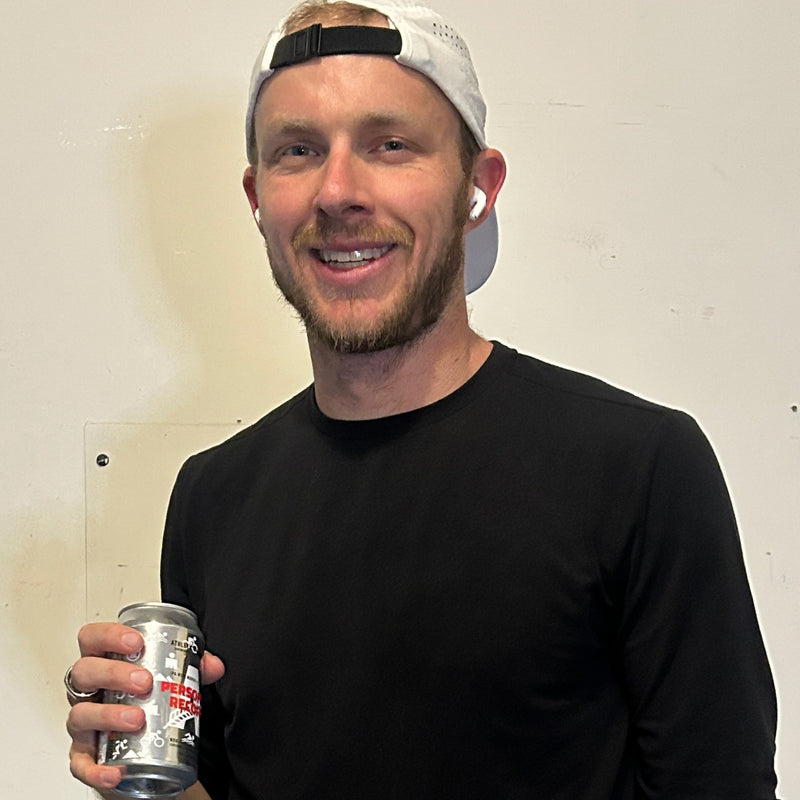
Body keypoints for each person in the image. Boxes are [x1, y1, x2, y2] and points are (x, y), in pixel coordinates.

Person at [66, 1, 779, 798]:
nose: (339, 191)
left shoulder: (639, 467)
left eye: (390, 145)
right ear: (259, 198)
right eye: (298, 151)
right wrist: (145, 772)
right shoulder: (211, 497)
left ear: (478, 187)